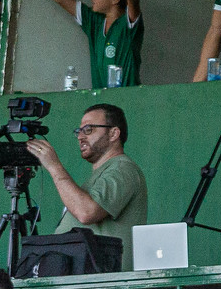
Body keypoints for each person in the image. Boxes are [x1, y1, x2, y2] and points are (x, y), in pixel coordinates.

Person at [28, 104, 148, 269]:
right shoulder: (106, 172)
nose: (80, 137)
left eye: (89, 129)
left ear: (114, 133)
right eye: (79, 131)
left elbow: (87, 212)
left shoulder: (122, 168)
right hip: (85, 281)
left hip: (102, 286)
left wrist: (54, 166)